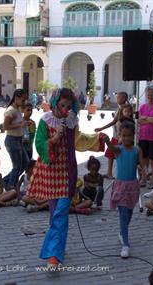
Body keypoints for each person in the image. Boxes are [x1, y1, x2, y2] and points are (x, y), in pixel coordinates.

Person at [27, 88, 105, 268]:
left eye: (69, 106)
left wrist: (98, 139)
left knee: (61, 211)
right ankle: (58, 246)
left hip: (68, 171)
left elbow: (79, 140)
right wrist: (53, 140)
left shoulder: (72, 121)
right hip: (51, 172)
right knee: (55, 212)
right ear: (55, 103)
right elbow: (39, 144)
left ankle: (53, 254)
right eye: (62, 105)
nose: (65, 109)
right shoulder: (45, 120)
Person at [104, 121, 145, 258]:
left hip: (132, 187)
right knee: (123, 215)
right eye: (124, 136)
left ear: (134, 136)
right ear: (120, 136)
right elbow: (111, 147)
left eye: (129, 136)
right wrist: (107, 141)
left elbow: (142, 166)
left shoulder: (137, 150)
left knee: (129, 214)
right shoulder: (118, 150)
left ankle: (122, 232)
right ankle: (125, 245)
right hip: (120, 187)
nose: (126, 138)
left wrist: (144, 175)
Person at [95, 92, 128, 179]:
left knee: (119, 156)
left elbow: (114, 121)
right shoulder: (120, 108)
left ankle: (121, 174)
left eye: (119, 97)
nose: (117, 99)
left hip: (120, 137)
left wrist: (101, 128)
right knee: (110, 154)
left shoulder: (124, 108)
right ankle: (109, 173)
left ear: (124, 98)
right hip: (115, 135)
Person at [2, 89, 30, 190]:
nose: (24, 103)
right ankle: (11, 187)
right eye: (23, 100)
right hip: (12, 140)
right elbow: (5, 127)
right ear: (16, 98)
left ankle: (6, 180)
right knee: (17, 166)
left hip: (18, 140)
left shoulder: (17, 109)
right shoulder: (11, 110)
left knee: (25, 163)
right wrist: (20, 125)